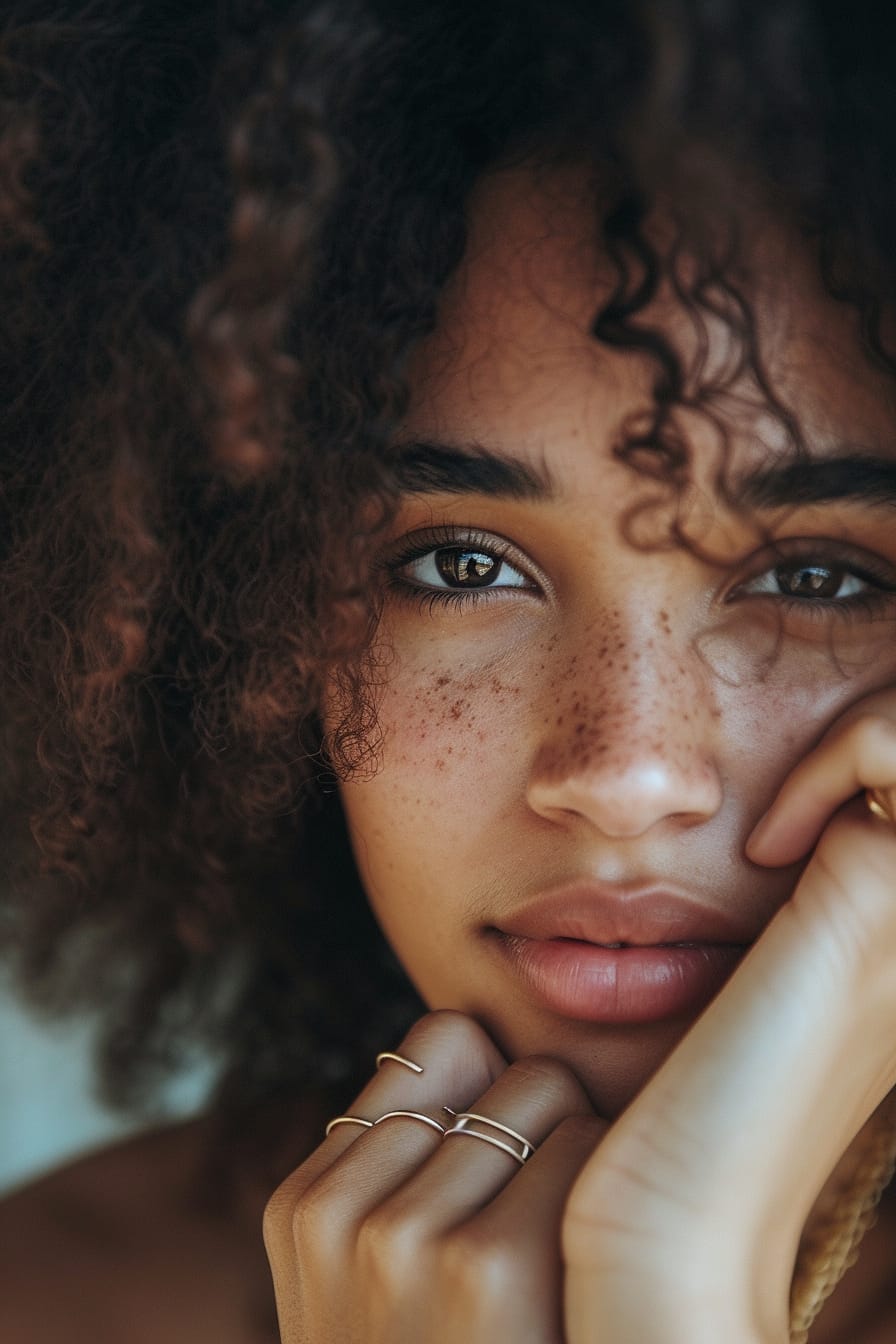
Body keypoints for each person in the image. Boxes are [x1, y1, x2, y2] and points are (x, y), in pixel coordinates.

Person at [0, 1, 895, 1340]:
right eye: (462, 566)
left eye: (818, 578)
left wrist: (668, 1285)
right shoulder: (70, 1295)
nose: (625, 775)